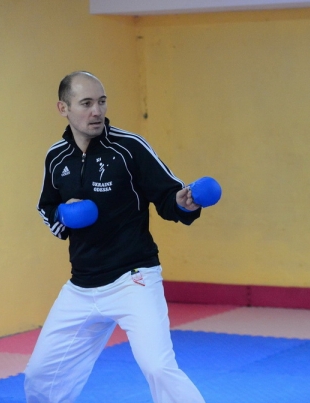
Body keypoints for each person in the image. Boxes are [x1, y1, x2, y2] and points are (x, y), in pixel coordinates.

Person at [25, 71, 208, 403]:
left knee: (158, 368)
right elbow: (46, 207)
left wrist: (183, 203)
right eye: (86, 103)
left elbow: (168, 195)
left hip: (132, 278)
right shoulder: (56, 157)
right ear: (63, 108)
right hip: (81, 285)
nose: (96, 111)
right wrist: (64, 215)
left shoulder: (129, 147)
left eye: (101, 101)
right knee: (40, 375)